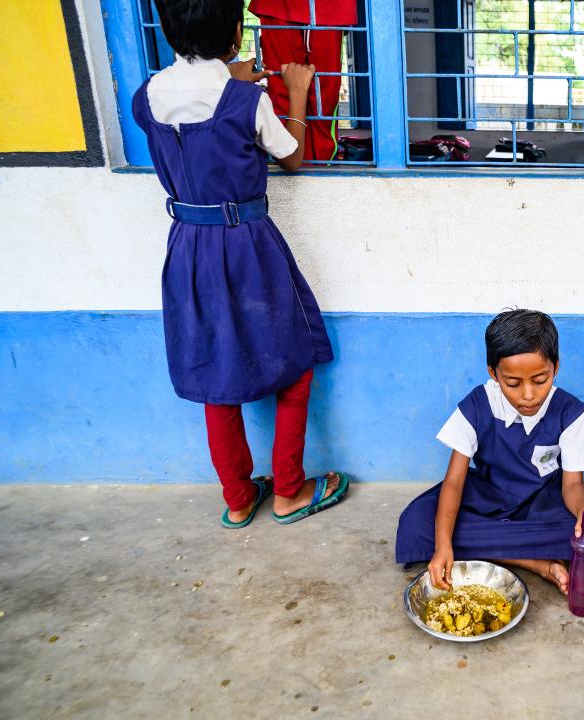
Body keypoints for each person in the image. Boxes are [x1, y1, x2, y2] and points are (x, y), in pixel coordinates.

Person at [133, 0, 348, 528]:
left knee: (213, 369)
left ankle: (236, 496)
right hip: (247, 245)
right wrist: (295, 91)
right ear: (234, 35)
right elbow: (292, 156)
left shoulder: (147, 97)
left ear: (167, 30)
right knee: (294, 366)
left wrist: (225, 73)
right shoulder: (245, 99)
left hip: (186, 246)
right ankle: (289, 491)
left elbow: (192, 103)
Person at [395, 309, 584, 594]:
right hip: (487, 496)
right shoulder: (476, 406)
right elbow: (455, 481)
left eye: (540, 380)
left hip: (542, 502)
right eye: (512, 383)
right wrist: (443, 544)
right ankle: (536, 563)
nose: (528, 395)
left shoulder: (573, 415)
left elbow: (572, 485)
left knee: (583, 537)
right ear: (493, 373)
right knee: (416, 525)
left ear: (555, 368)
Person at [249, 0, 356, 162]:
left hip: (331, 7)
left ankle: (321, 162)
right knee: (281, 86)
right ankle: (285, 158)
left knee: (324, 94)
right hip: (277, 6)